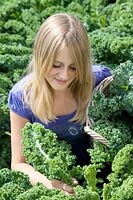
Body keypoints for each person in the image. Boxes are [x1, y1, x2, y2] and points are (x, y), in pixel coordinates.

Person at [8, 13, 112, 195]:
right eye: (56, 65)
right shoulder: (22, 98)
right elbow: (19, 164)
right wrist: (48, 183)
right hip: (51, 181)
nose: (65, 75)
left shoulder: (97, 80)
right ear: (41, 57)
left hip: (102, 177)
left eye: (74, 67)